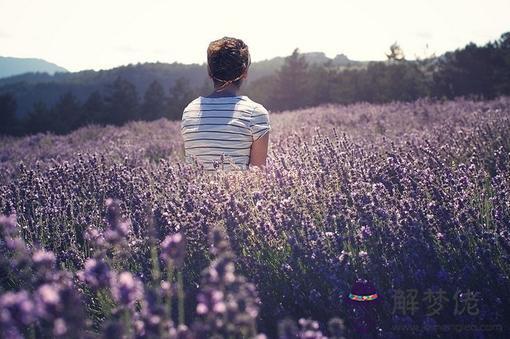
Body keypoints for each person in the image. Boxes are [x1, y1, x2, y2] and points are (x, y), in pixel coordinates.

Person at [181, 37, 271, 171]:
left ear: (209, 73)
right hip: (240, 192)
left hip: (195, 191)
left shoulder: (190, 111)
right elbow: (258, 175)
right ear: (245, 72)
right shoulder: (255, 113)